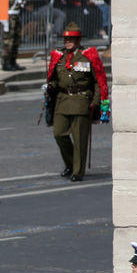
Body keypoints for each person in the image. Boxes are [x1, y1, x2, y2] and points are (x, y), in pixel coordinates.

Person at [46, 22, 108, 181]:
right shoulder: (59, 57)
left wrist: (96, 101)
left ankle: (77, 171)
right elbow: (54, 77)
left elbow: (98, 81)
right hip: (62, 101)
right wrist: (50, 87)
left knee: (80, 139)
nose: (67, 42)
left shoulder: (88, 56)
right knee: (59, 134)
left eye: (71, 39)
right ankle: (70, 163)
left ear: (78, 40)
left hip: (81, 101)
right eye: (66, 39)